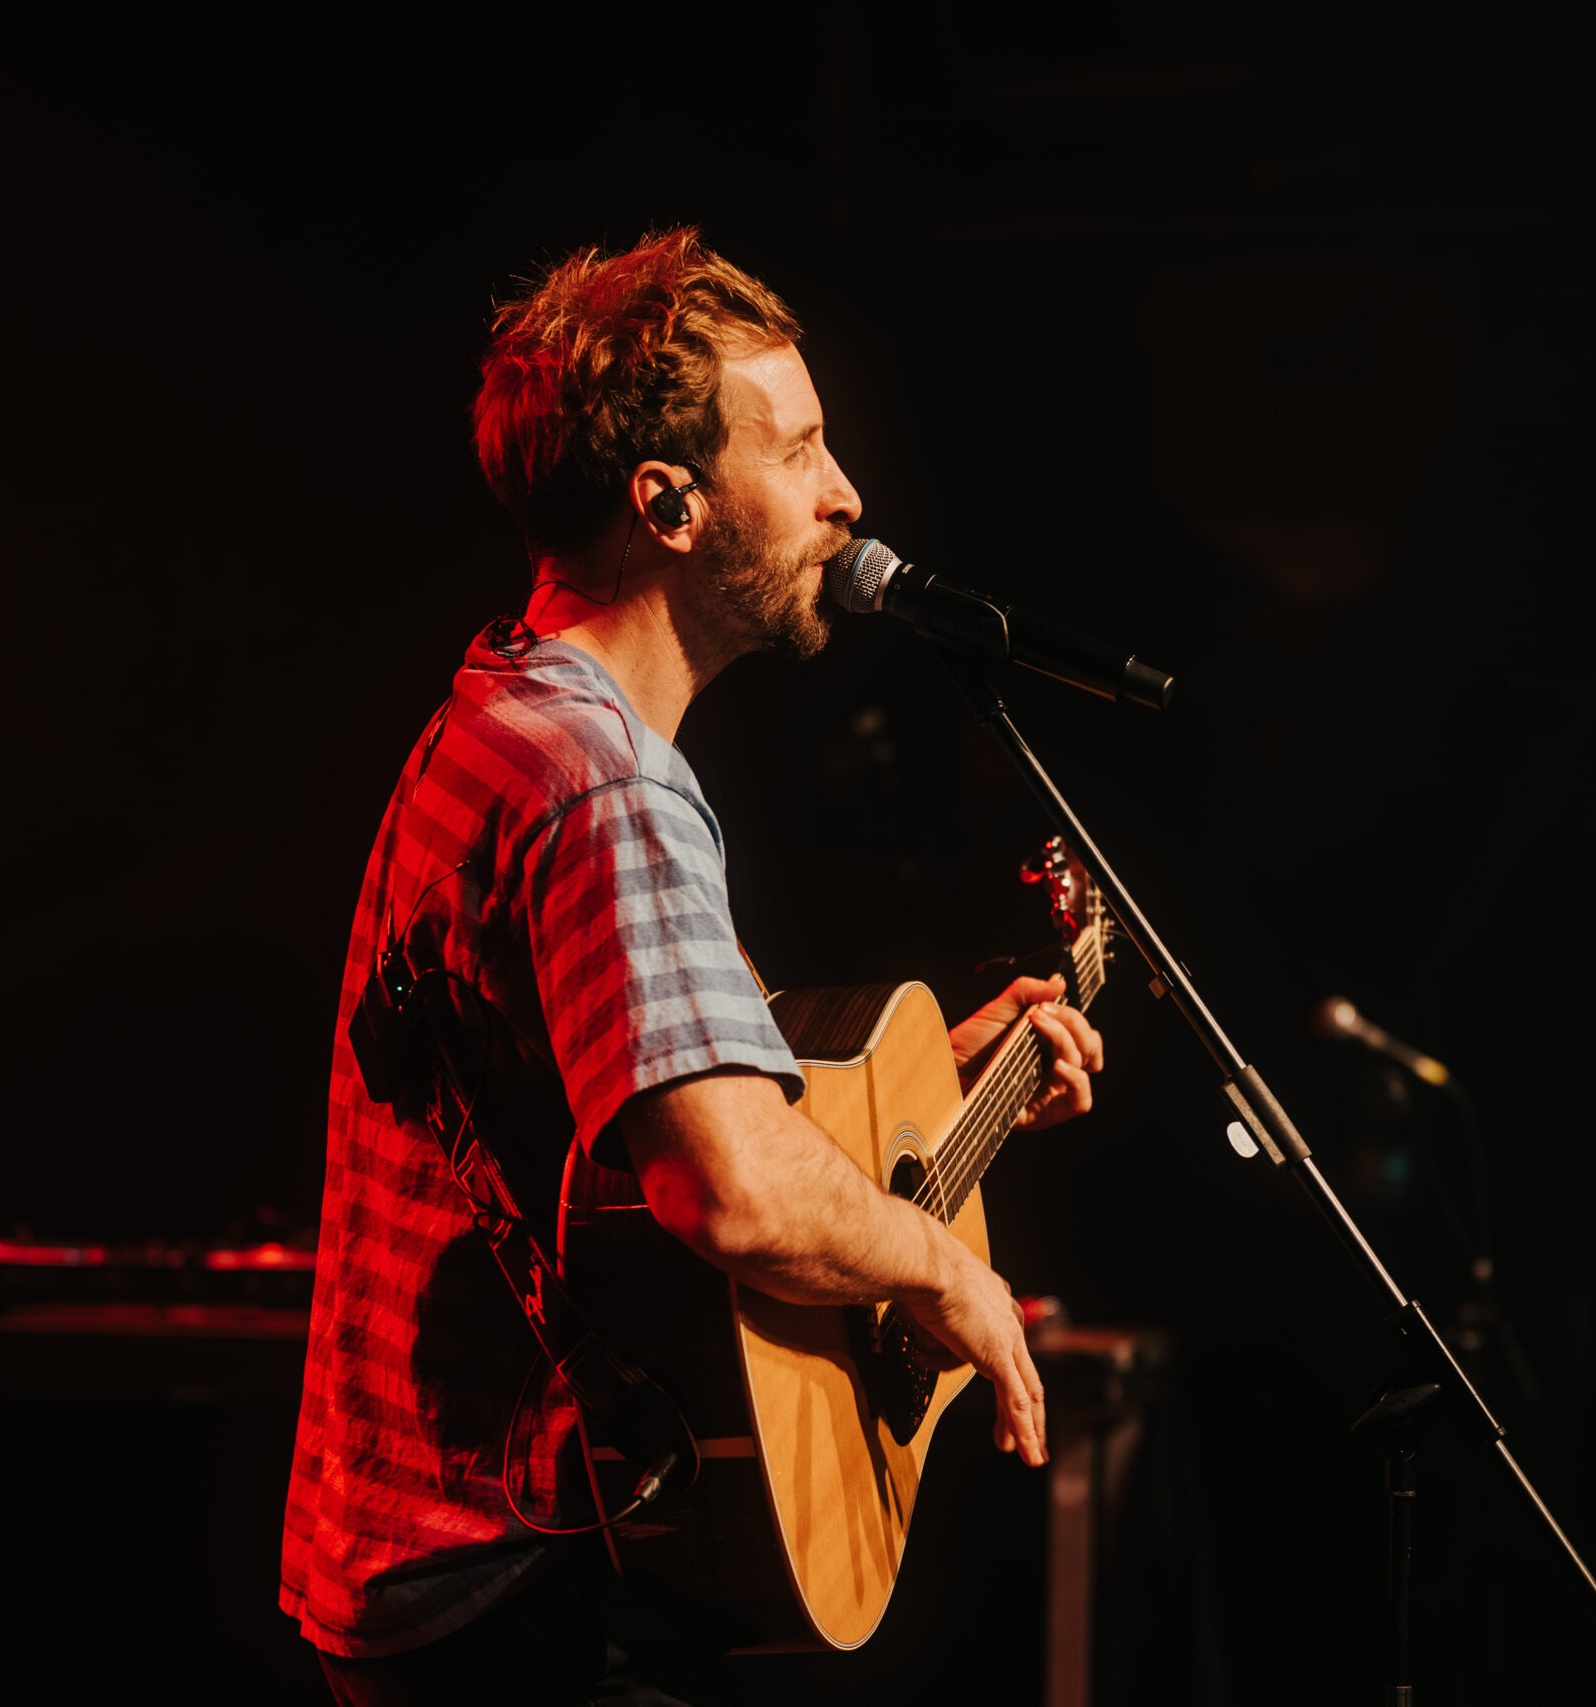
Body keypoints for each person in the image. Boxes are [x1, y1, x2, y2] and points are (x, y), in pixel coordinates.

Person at [280, 228, 1107, 1705]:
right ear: (667, 504)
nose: (845, 495)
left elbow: (621, 1122)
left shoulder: (504, 711)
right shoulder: (609, 784)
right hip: (527, 1580)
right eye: (796, 449)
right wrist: (948, 1272)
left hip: (433, 1565)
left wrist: (939, 1083)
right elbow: (725, 1191)